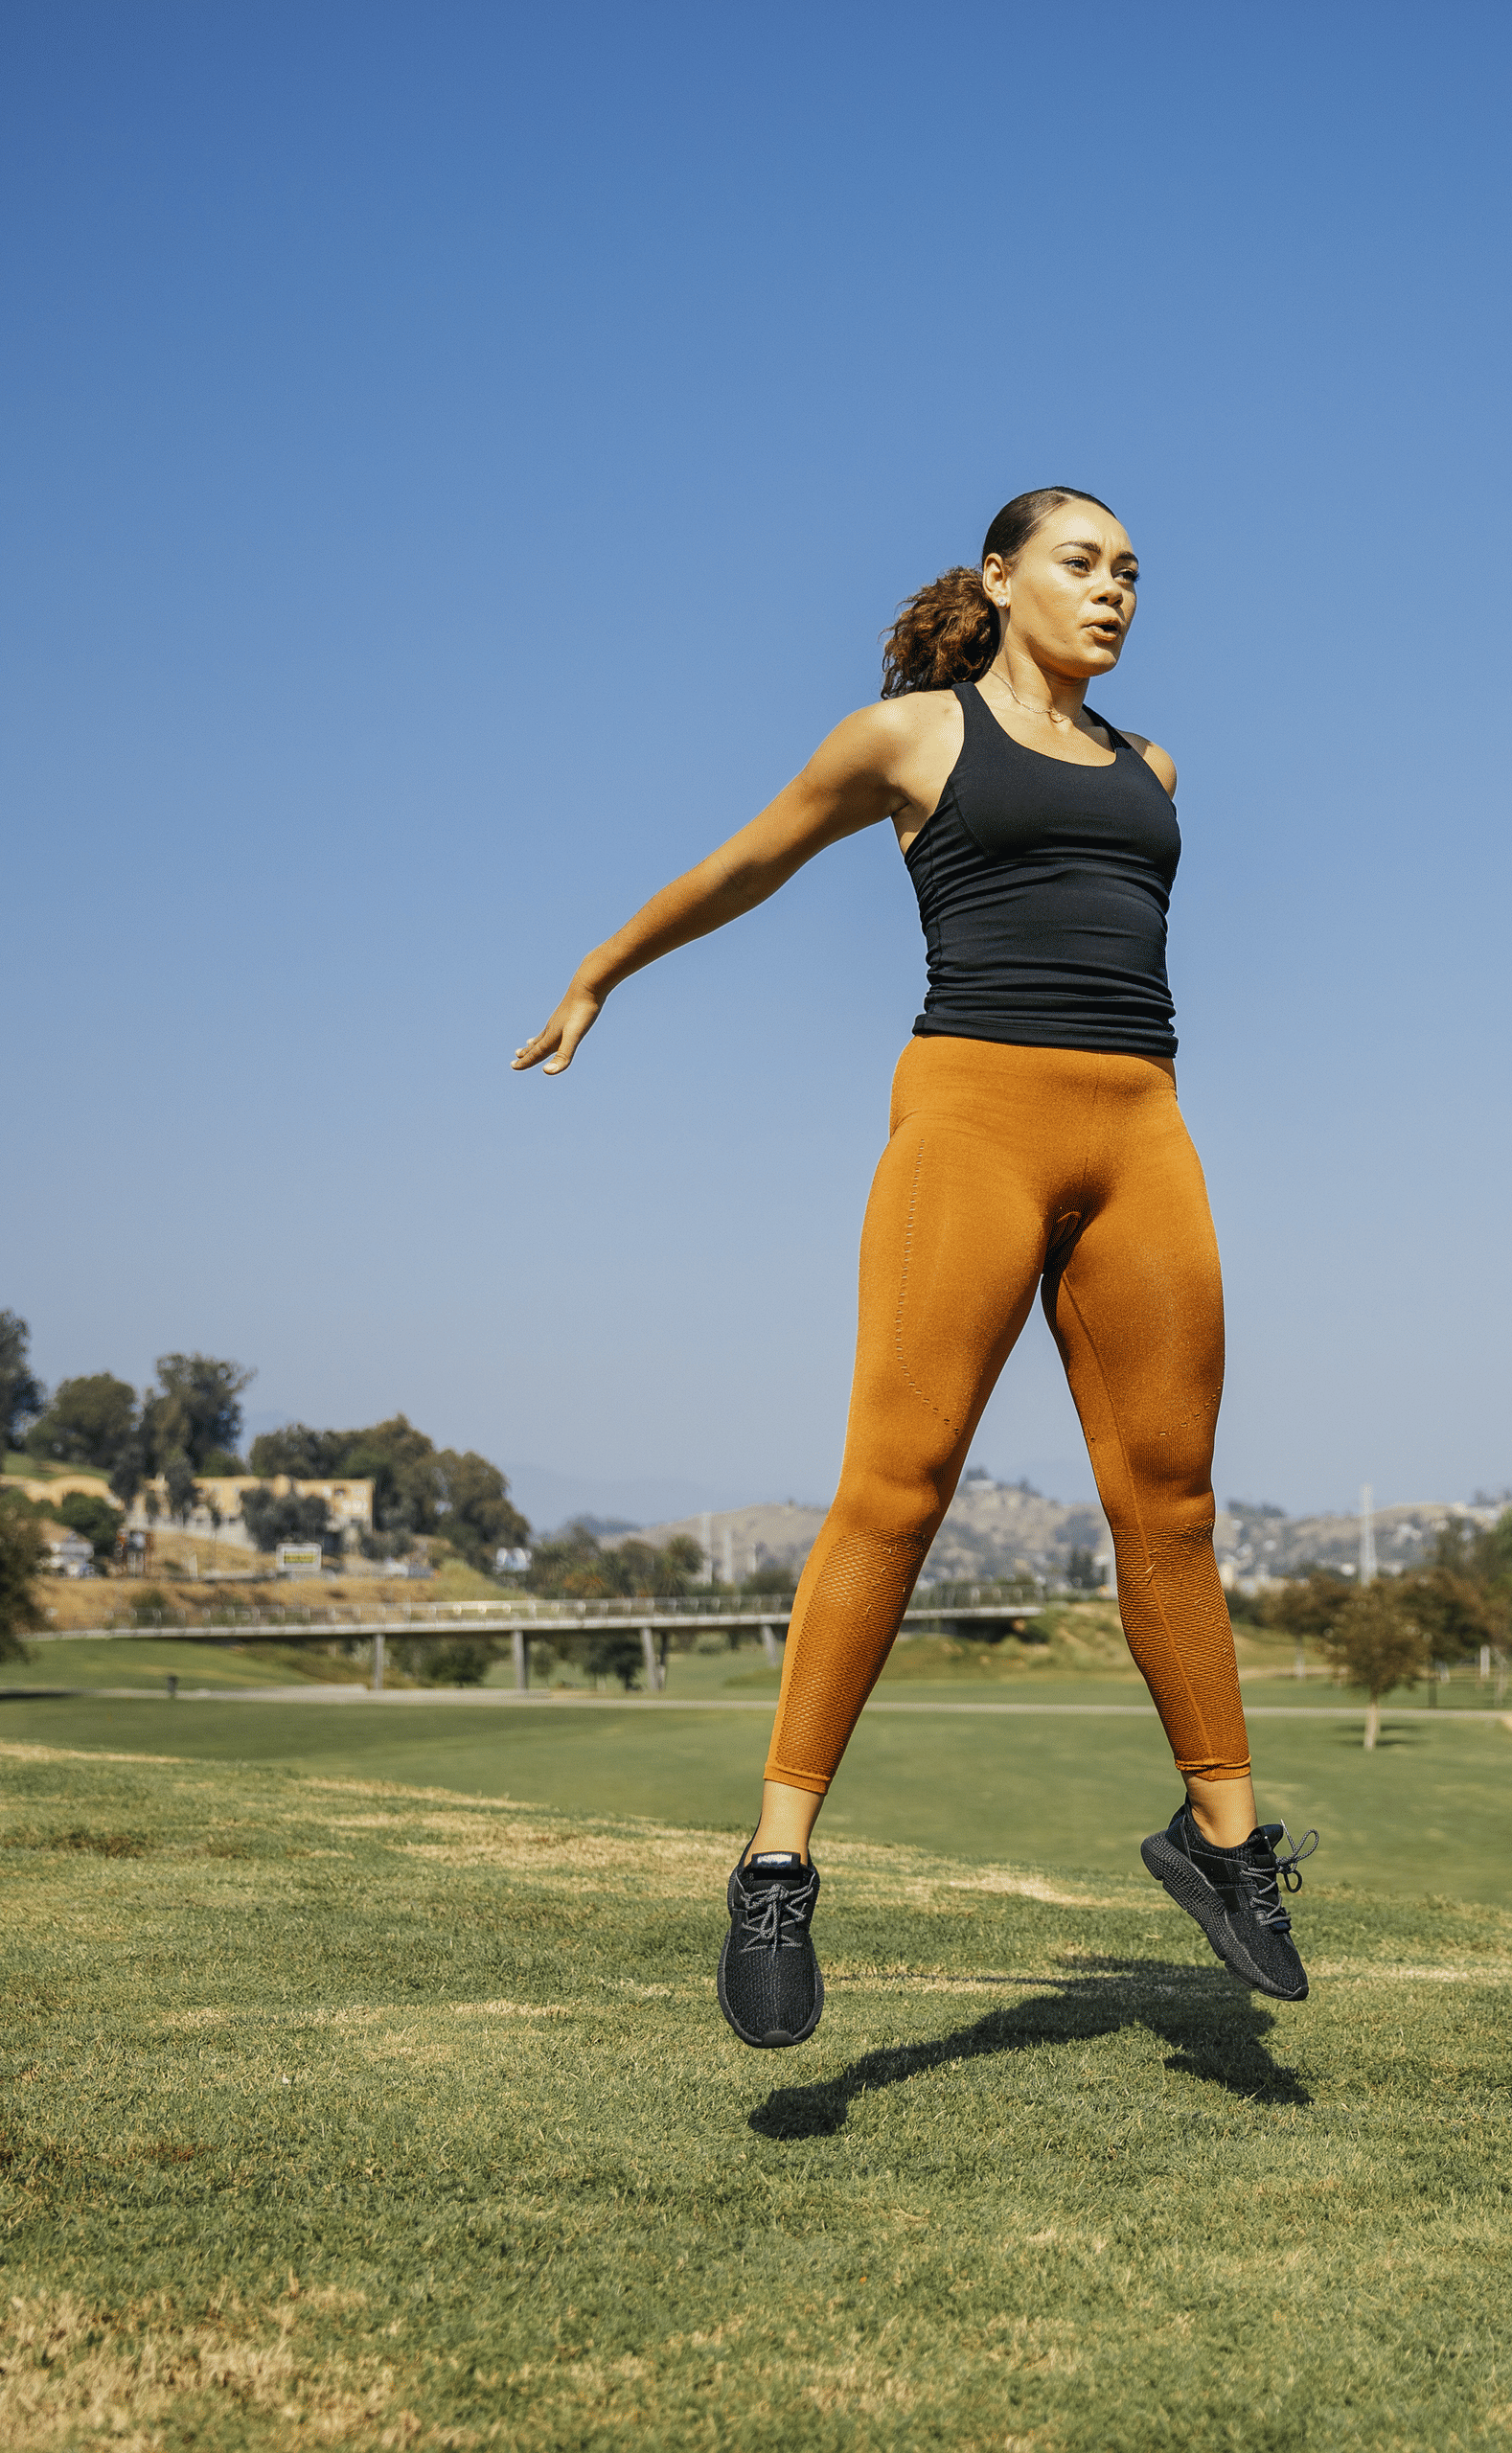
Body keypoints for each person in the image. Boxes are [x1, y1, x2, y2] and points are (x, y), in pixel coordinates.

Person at [514, 488, 1312, 2050]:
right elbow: (748, 866)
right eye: (1083, 564)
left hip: (1144, 1127)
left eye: (1132, 574)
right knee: (901, 1480)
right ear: (1003, 579)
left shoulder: (1152, 770)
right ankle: (775, 1864)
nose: (1114, 592)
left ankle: (1224, 1846)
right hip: (971, 1117)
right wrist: (602, 969)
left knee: (1175, 1503)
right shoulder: (912, 740)